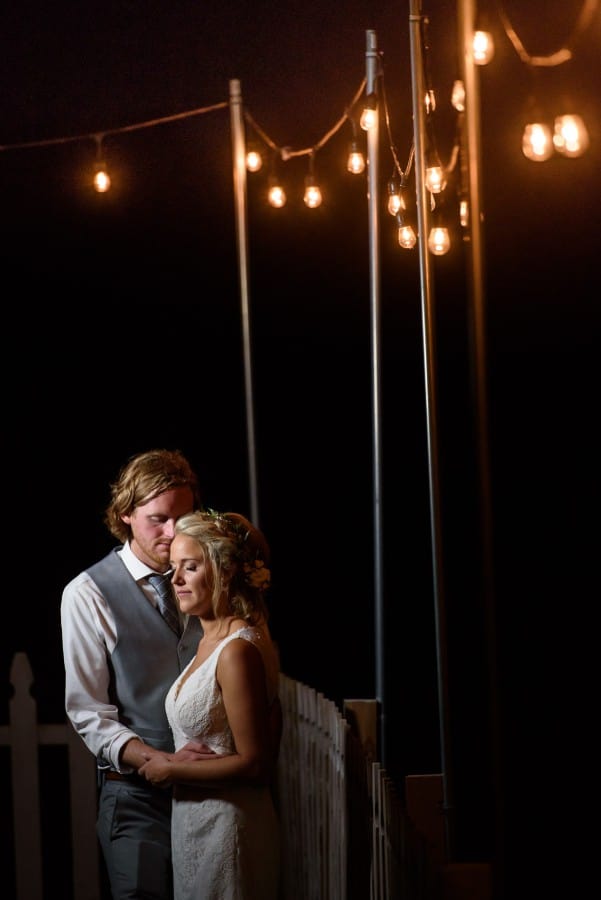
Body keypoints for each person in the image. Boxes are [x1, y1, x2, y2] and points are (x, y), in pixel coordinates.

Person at [61, 448, 208, 900]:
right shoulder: (87, 594)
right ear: (125, 513)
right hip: (136, 798)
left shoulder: (209, 578)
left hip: (214, 791)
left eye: (184, 518)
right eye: (158, 519)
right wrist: (155, 761)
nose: (173, 533)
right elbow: (89, 712)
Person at [137, 509, 281, 900]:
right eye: (173, 568)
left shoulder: (237, 651)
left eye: (191, 567)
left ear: (225, 571)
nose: (176, 580)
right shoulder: (205, 640)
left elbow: (255, 763)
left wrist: (170, 769)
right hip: (195, 825)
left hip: (228, 827)